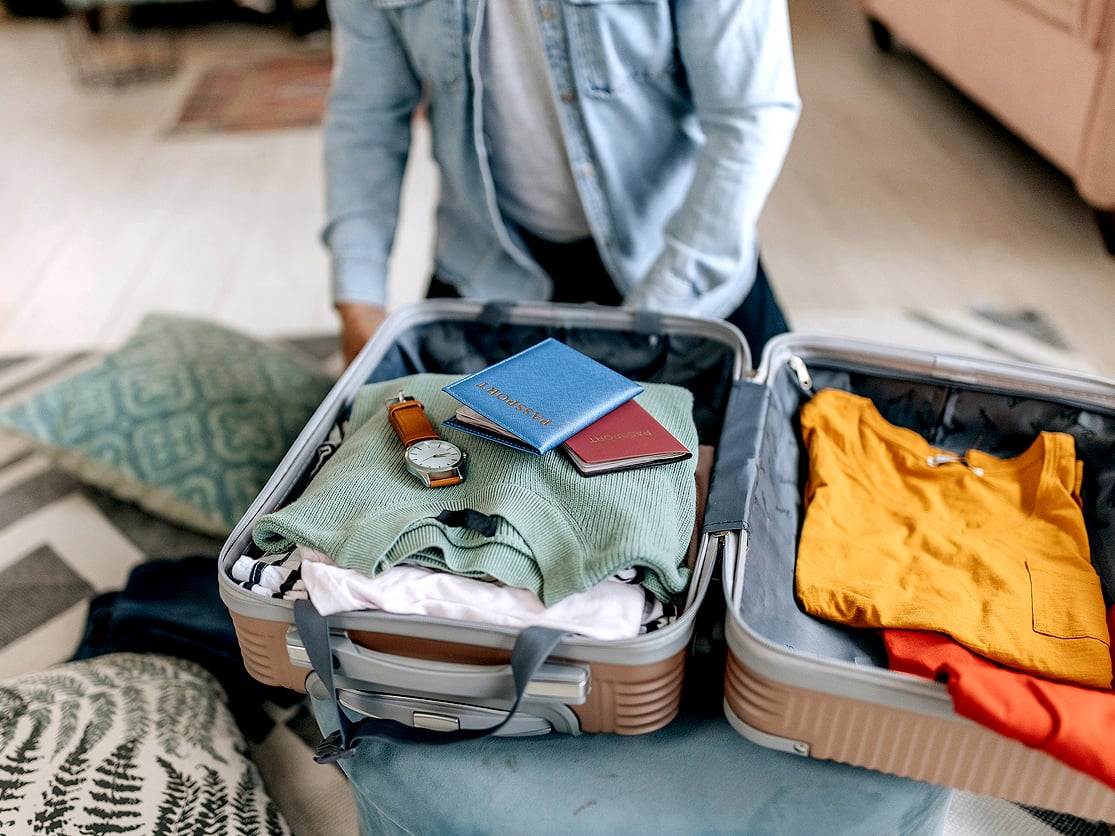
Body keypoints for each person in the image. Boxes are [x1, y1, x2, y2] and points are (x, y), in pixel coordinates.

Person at [323, 0, 801, 365]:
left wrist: (656, 316)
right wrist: (359, 298)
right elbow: (366, 117)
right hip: (489, 264)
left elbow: (750, 116)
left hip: (680, 262)